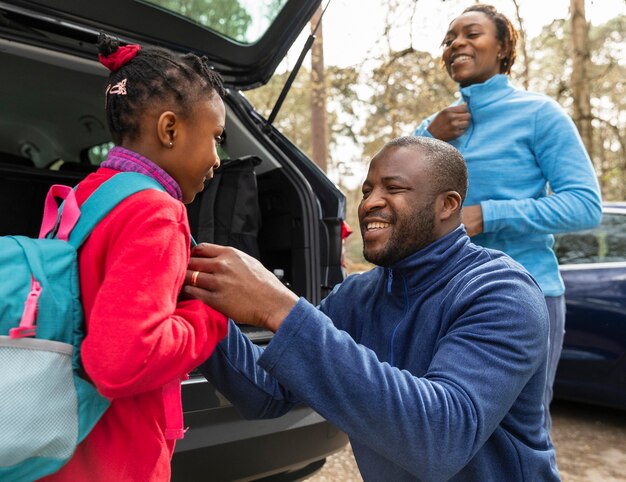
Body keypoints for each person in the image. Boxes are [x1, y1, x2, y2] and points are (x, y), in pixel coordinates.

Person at [185, 136, 561, 481]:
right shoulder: (358, 296)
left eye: (393, 188)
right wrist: (186, 277)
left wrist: (281, 308)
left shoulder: (501, 292)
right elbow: (265, 393)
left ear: (447, 205)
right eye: (367, 190)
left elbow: (440, 440)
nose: (370, 202)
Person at [42, 34, 229, 482]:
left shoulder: (85, 197)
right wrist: (211, 313)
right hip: (117, 459)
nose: (218, 160)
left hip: (60, 444)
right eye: (215, 138)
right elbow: (123, 361)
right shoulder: (158, 213)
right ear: (169, 130)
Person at [413, 3, 602, 431]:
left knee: (518, 432)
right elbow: (399, 192)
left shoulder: (539, 114)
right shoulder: (436, 125)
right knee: (446, 427)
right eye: (449, 38)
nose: (456, 43)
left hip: (524, 294)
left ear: (503, 48)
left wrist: (489, 216)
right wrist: (428, 137)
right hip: (442, 295)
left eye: (472, 33)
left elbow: (584, 205)